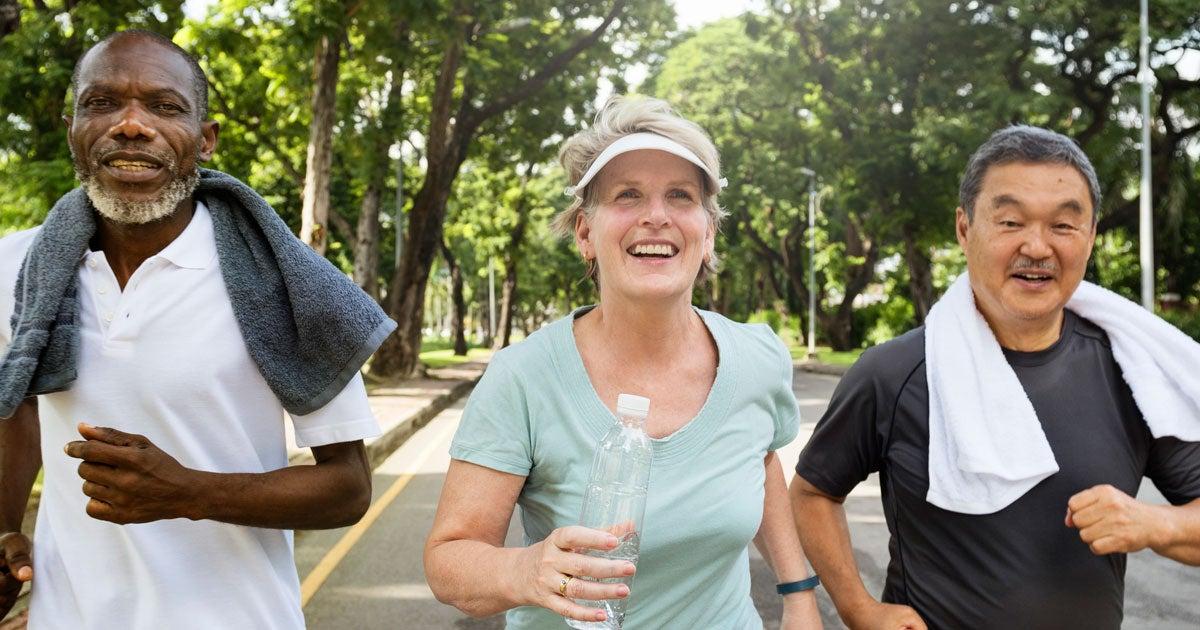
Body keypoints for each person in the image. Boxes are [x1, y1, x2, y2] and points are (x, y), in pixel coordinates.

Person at [0, 30, 394, 629]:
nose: (131, 125)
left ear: (204, 140)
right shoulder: (18, 267)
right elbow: (16, 404)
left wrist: (187, 491)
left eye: (165, 106)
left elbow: (348, 488)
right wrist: (5, 529)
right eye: (101, 103)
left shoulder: (284, 282)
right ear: (72, 127)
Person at [424, 96, 824, 629]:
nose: (655, 216)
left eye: (680, 196)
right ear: (586, 234)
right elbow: (449, 560)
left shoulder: (757, 357)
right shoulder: (522, 377)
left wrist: (798, 593)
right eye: (627, 195)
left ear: (707, 234)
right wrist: (525, 571)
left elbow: (761, 462)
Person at [791, 125, 1200, 630]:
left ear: (1091, 236)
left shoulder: (1132, 372)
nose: (1037, 246)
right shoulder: (894, 373)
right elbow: (812, 493)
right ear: (965, 229)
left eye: (1064, 226)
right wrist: (858, 608)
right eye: (1010, 221)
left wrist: (1154, 523)